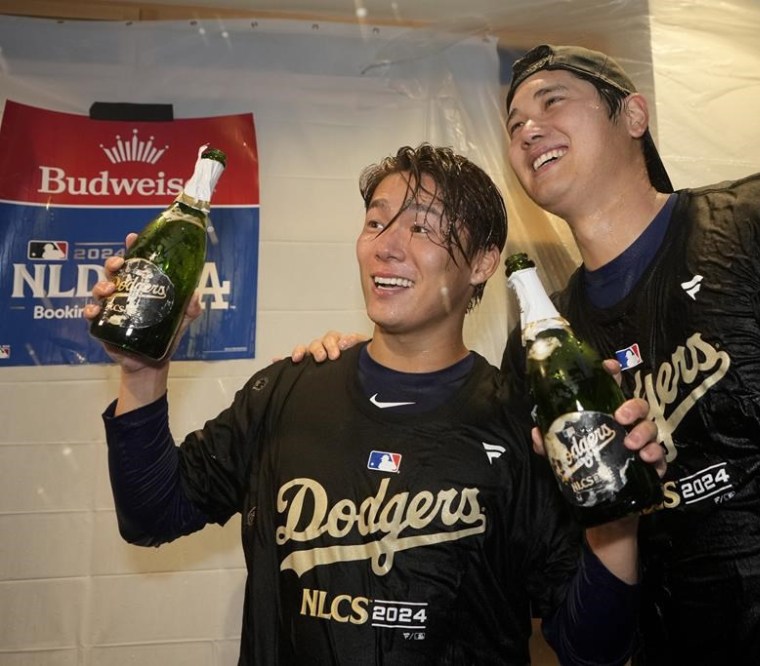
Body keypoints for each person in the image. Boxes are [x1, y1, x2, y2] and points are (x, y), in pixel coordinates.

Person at [300, 46, 760, 665]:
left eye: (553, 101)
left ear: (633, 115)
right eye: (513, 124)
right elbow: (583, 628)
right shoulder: (543, 355)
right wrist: (367, 362)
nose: (527, 128)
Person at [85, 144, 665, 665]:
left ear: (485, 262)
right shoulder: (285, 392)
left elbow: (595, 649)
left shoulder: (526, 425)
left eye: (421, 228)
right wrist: (142, 371)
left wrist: (615, 525)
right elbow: (151, 515)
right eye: (375, 221)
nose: (386, 246)